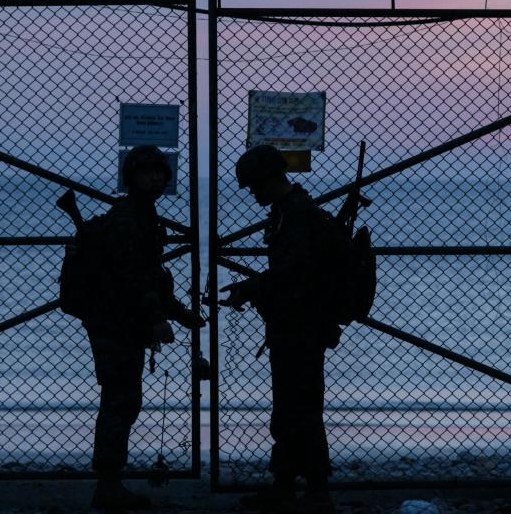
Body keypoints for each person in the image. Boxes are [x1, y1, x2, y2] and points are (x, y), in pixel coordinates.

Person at [221, 144, 350, 514]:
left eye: (254, 185)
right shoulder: (286, 213)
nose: (252, 193)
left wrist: (253, 286)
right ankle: (286, 484)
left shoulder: (298, 217)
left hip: (303, 325)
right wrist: (256, 289)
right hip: (292, 323)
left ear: (270, 178)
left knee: (302, 407)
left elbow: (296, 273)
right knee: (289, 407)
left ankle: (316, 488)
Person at [85, 144, 205, 511]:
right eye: (147, 171)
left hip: (123, 323)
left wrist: (178, 313)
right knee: (120, 402)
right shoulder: (128, 220)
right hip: (115, 324)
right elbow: (132, 278)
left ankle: (109, 482)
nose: (155, 178)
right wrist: (157, 318)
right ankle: (107, 485)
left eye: (161, 173)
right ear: (131, 177)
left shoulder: (142, 216)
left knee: (123, 401)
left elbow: (150, 277)